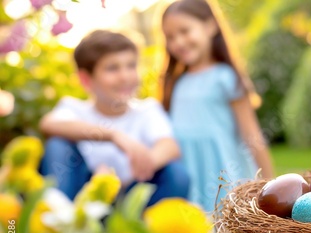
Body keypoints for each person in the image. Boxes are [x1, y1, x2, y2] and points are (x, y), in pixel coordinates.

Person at [39, 30, 189, 206]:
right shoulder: (74, 108)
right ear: (86, 79)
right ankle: (58, 216)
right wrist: (114, 136)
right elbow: (48, 124)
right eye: (112, 68)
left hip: (130, 196)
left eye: (131, 66)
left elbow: (170, 146)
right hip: (84, 196)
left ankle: (147, 231)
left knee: (175, 173)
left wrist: (139, 168)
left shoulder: (147, 110)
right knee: (58, 145)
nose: (125, 77)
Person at [161, 0, 274, 211]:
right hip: (187, 173)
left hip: (222, 173)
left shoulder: (225, 77)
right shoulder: (175, 83)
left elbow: (252, 135)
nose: (178, 42)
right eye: (170, 37)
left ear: (210, 26)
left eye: (185, 31)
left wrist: (271, 185)